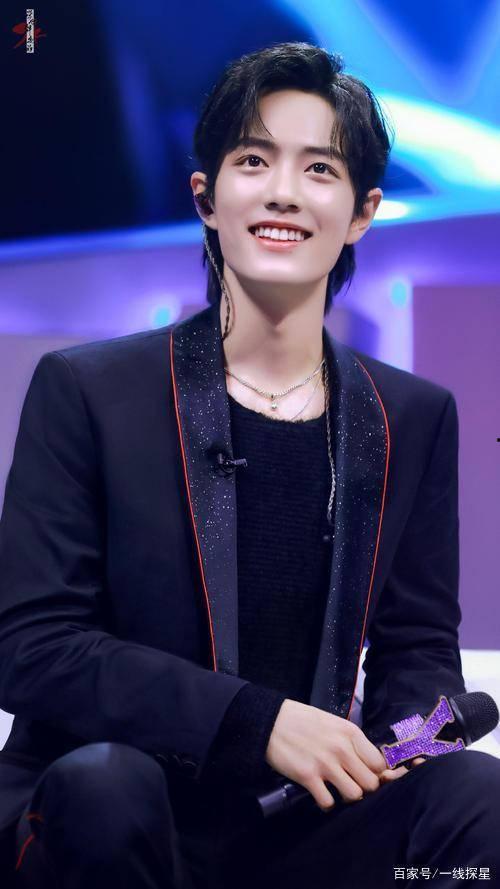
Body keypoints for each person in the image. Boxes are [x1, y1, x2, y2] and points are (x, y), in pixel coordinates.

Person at [0, 41, 499, 889]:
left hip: (297, 825)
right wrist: (254, 722)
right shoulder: (88, 390)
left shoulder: (412, 416)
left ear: (364, 212)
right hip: (118, 803)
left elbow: (416, 650)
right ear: (206, 196)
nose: (282, 192)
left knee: (475, 797)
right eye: (254, 160)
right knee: (105, 786)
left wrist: (415, 738)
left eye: (319, 169)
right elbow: (34, 647)